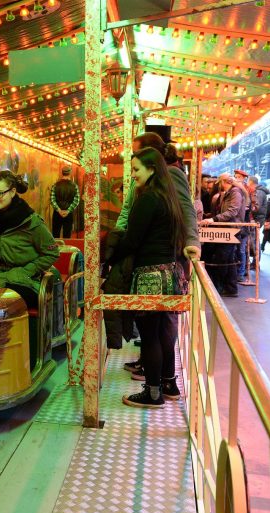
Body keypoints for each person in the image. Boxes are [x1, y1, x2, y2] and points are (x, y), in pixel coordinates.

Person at [108, 148, 187, 408]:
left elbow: (132, 239)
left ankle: (153, 393)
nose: (132, 176)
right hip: (171, 274)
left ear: (152, 168)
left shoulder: (149, 198)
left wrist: (109, 256)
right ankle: (167, 383)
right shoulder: (169, 197)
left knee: (150, 336)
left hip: (150, 276)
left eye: (136, 170)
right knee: (162, 333)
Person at [0, 170, 59, 309]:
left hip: (25, 280)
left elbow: (51, 253)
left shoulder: (31, 222)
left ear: (12, 192)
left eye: (0, 193)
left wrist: (24, 272)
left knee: (1, 304)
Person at [201, 173, 246, 297]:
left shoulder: (235, 192)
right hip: (226, 229)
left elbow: (232, 211)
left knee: (224, 258)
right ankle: (230, 288)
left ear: (223, 182)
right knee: (227, 259)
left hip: (231, 230)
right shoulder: (227, 193)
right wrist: (209, 217)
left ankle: (223, 287)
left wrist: (214, 219)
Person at [50, 165, 80, 238]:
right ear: (70, 173)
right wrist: (68, 210)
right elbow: (76, 200)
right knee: (67, 236)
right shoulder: (74, 186)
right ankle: (66, 249)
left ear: (62, 173)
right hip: (68, 214)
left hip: (57, 214)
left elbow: (52, 199)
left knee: (55, 235)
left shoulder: (55, 185)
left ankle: (56, 249)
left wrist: (59, 210)